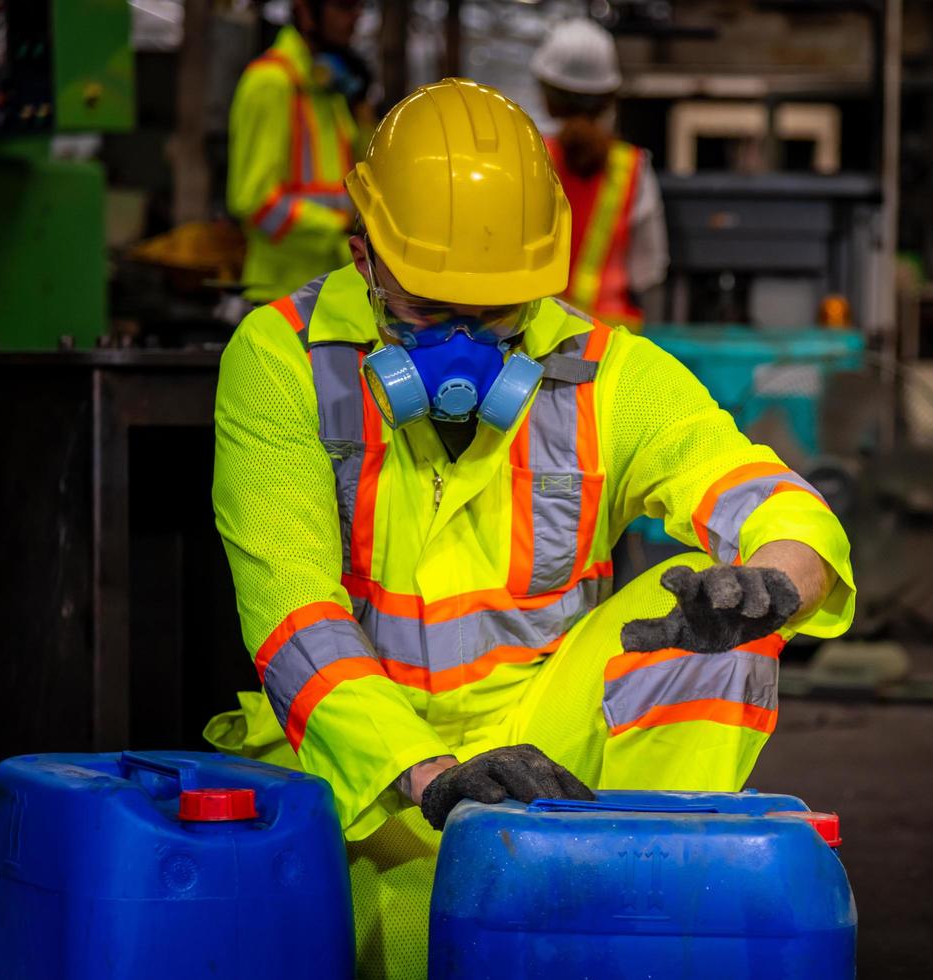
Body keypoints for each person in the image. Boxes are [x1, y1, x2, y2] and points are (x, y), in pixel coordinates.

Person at [204, 78, 855, 977]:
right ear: (363, 257)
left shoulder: (603, 371)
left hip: (547, 770)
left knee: (718, 642)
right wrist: (428, 775)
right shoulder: (281, 361)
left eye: (498, 314)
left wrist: (778, 579)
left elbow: (758, 488)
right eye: (431, 312)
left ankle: (626, 917)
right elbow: (291, 609)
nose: (466, 348)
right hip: (355, 771)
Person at [531, 19, 667, 330]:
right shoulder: (633, 168)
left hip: (539, 336)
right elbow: (649, 271)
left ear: (548, 98)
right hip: (612, 341)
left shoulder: (530, 159)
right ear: (609, 97)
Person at [227, 0, 364, 304]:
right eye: (344, 6)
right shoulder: (271, 83)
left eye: (360, 6)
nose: (356, 17)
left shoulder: (327, 89)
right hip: (280, 299)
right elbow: (254, 201)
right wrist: (339, 230)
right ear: (305, 12)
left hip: (329, 292)